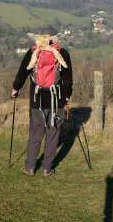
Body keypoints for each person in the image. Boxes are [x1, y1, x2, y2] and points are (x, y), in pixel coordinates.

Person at [11, 28, 72, 176]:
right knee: (53, 135)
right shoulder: (62, 53)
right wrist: (67, 97)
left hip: (36, 101)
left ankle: (30, 167)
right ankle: (47, 168)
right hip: (56, 101)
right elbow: (68, 78)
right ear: (53, 38)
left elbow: (22, 72)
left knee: (35, 134)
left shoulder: (33, 52)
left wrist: (15, 88)